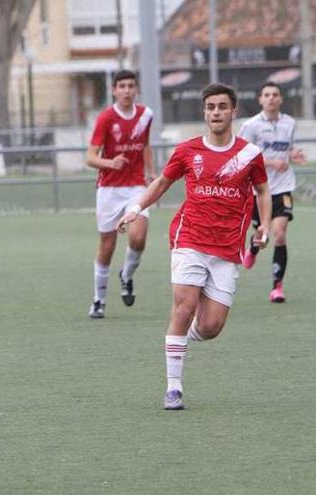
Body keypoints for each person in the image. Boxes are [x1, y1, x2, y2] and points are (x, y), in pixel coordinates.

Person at [116, 83, 271, 411]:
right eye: (211, 107)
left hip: (228, 249)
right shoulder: (187, 151)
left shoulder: (249, 154)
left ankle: (177, 341)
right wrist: (135, 208)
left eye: (222, 107)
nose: (216, 112)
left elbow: (262, 191)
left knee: (211, 327)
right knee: (183, 308)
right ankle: (174, 388)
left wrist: (265, 226)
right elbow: (161, 183)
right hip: (189, 240)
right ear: (205, 112)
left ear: (233, 111)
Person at [85, 70, 156, 319]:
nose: (127, 90)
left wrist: (152, 173)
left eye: (131, 86)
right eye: (122, 86)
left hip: (137, 187)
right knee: (107, 244)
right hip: (109, 189)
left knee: (138, 239)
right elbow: (90, 158)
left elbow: (145, 144)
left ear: (136, 89)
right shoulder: (106, 119)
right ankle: (99, 300)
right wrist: (109, 163)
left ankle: (126, 276)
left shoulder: (146, 115)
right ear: (114, 90)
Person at [237, 81, 306, 302]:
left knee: (279, 234)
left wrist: (293, 154)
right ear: (260, 99)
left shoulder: (289, 123)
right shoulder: (251, 125)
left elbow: (288, 147)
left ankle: (277, 287)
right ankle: (254, 249)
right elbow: (242, 156)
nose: (271, 98)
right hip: (259, 189)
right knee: (261, 233)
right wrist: (270, 162)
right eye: (266, 95)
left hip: (284, 186)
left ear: (281, 99)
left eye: (275, 94)